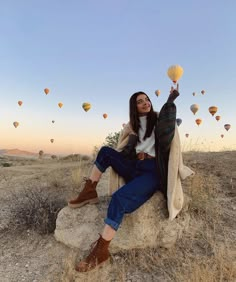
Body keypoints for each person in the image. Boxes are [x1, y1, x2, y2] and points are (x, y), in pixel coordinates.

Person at [68, 84, 193, 272]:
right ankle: (89, 190)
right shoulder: (132, 126)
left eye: (147, 100)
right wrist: (130, 144)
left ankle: (101, 251)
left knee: (118, 199)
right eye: (140, 101)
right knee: (105, 152)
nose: (145, 103)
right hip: (135, 166)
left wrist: (170, 100)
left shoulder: (159, 120)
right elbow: (126, 151)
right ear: (134, 107)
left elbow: (167, 130)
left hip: (152, 171)